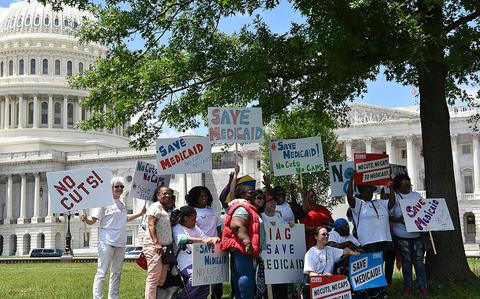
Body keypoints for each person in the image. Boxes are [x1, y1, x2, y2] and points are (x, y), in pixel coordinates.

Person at [81, 177, 145, 299]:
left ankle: (113, 297)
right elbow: (93, 220)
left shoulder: (121, 203)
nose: (120, 188)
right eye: (117, 186)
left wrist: (140, 213)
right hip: (106, 241)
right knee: (102, 272)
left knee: (116, 273)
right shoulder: (103, 203)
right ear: (110, 188)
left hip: (120, 241)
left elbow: (125, 218)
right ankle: (97, 297)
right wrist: (85, 218)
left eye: (121, 186)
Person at [347, 175, 395, 297]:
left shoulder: (380, 203)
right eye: (367, 191)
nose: (370, 194)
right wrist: (351, 180)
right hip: (369, 241)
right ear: (362, 193)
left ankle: (379, 290)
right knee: (372, 267)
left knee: (380, 265)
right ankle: (372, 291)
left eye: (371, 191)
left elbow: (392, 202)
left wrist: (392, 188)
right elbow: (349, 197)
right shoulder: (359, 204)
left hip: (383, 239)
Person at [221, 166, 263, 299]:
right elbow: (237, 225)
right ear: (242, 195)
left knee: (239, 275)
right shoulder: (242, 207)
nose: (253, 194)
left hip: (241, 247)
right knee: (246, 275)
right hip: (243, 247)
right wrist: (247, 242)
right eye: (250, 193)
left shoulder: (243, 206)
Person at [390, 174, 429, 297]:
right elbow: (388, 216)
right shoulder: (395, 198)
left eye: (407, 181)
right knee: (406, 263)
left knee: (419, 263)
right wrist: (399, 220)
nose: (406, 183)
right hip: (401, 236)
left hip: (417, 236)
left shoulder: (416, 196)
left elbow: (424, 212)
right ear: (398, 184)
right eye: (403, 182)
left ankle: (423, 287)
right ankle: (408, 288)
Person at [172, 206, 220, 299]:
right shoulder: (177, 227)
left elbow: (205, 238)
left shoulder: (195, 228)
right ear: (185, 218)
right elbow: (182, 239)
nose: (195, 221)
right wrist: (202, 241)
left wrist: (214, 239)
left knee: (213, 278)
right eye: (193, 219)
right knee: (195, 278)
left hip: (199, 261)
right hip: (185, 262)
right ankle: (182, 297)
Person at [185, 186, 223, 299]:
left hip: (214, 249)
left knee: (216, 279)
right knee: (199, 279)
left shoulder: (213, 211)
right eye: (201, 196)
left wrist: (221, 243)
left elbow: (219, 229)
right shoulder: (190, 211)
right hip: (197, 250)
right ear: (194, 197)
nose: (204, 198)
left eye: (206, 195)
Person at [302, 227, 360, 299]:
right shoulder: (310, 253)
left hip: (329, 286)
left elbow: (346, 251)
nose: (326, 236)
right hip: (316, 287)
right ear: (316, 236)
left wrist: (357, 254)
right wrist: (323, 276)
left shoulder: (330, 249)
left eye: (327, 234)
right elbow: (311, 274)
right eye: (323, 234)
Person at [143, 186, 176, 299]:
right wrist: (156, 243)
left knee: (161, 278)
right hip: (155, 248)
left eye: (169, 194)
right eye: (164, 193)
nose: (167, 196)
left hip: (164, 248)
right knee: (153, 278)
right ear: (157, 195)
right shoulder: (155, 207)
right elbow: (151, 225)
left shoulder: (163, 208)